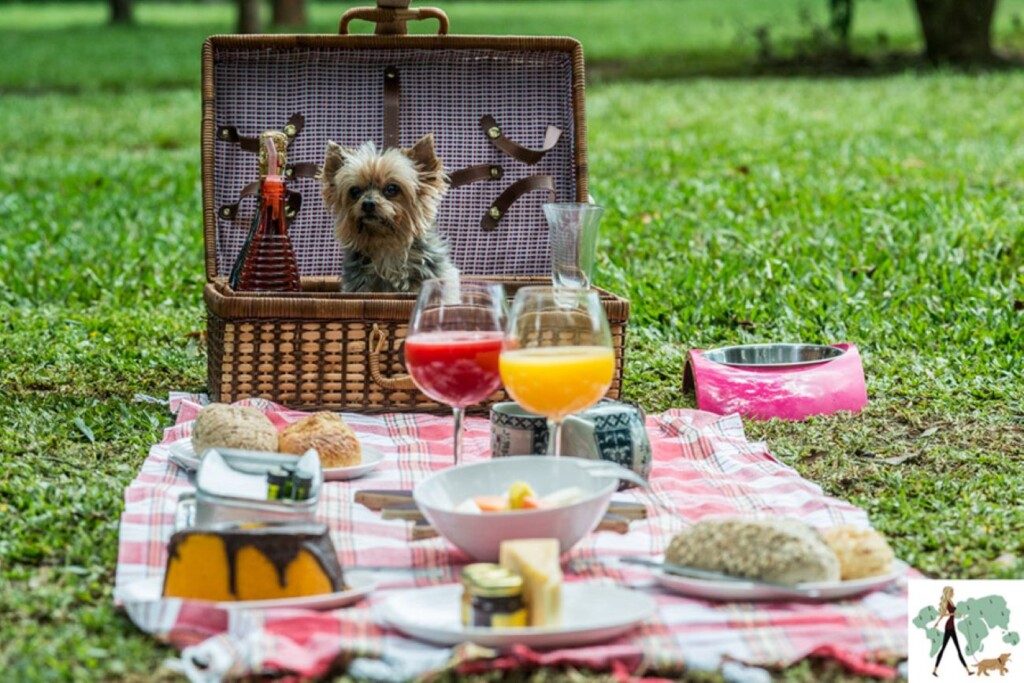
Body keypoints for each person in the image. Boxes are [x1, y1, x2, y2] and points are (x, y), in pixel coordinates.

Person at [933, 586, 973, 677]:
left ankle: (968, 671)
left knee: (957, 649)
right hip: (948, 627)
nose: (953, 593)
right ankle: (934, 670)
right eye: (952, 592)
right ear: (948, 593)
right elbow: (943, 614)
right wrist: (938, 622)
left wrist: (958, 613)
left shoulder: (951, 601)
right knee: (944, 649)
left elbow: (951, 613)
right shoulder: (946, 602)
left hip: (952, 626)